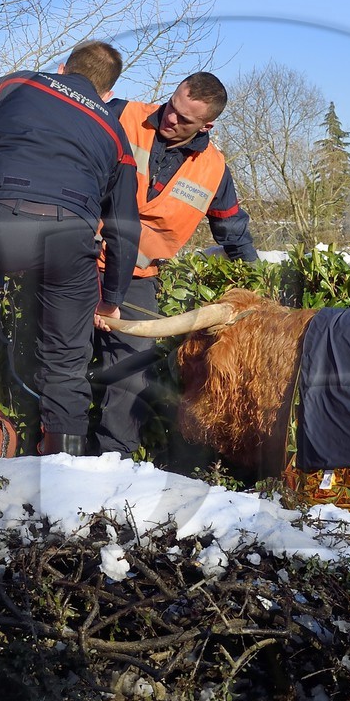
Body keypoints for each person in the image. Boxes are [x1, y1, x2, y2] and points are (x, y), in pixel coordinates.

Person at [0, 40, 140, 455]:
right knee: (65, 359)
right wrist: (111, 298)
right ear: (108, 93)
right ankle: (65, 464)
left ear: (62, 68)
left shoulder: (11, 85)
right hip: (69, 241)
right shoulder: (117, 135)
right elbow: (125, 228)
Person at [93, 72, 258, 456]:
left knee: (132, 374)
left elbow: (233, 232)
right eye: (171, 107)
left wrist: (259, 287)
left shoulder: (214, 170)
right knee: (60, 359)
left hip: (137, 277)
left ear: (207, 125)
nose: (170, 119)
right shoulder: (120, 115)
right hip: (79, 261)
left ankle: (111, 463)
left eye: (185, 119)